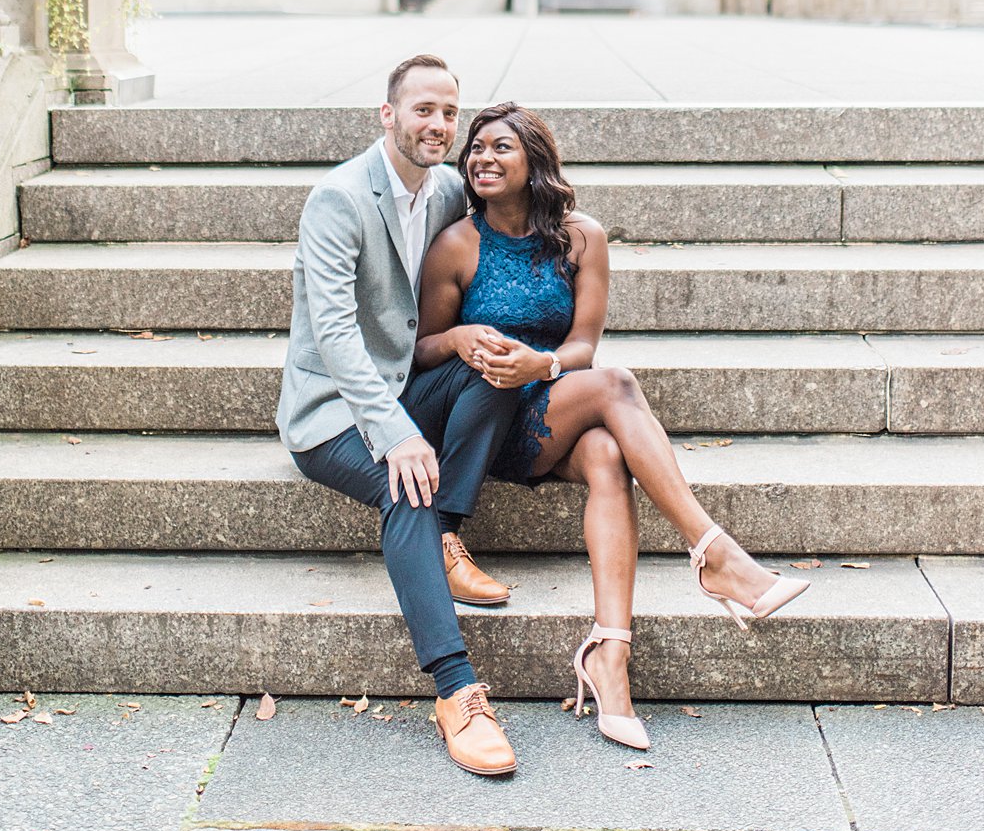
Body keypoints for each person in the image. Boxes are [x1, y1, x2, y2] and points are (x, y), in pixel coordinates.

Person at [416, 101, 810, 753]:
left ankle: (611, 659)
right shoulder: (457, 244)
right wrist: (461, 339)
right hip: (481, 426)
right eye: (475, 149)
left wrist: (538, 365)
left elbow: (581, 349)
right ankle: (714, 555)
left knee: (604, 452)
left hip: (548, 410)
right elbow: (422, 351)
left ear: (534, 161)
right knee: (619, 387)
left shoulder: (582, 238)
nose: (483, 158)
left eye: (500, 148)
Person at [276, 56, 523, 777]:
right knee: (404, 483)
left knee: (495, 362)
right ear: (388, 115)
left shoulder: (446, 189)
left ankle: (443, 540)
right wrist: (397, 435)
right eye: (423, 110)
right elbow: (334, 334)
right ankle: (456, 691)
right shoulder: (339, 199)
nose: (439, 125)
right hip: (330, 413)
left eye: (449, 112)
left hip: (400, 382)